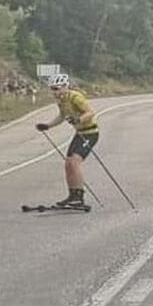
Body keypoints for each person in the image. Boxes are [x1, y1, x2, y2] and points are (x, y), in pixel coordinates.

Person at [35, 73, 99, 210]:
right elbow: (62, 116)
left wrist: (78, 120)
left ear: (65, 86)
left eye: (57, 88)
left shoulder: (75, 97)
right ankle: (73, 195)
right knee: (68, 164)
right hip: (80, 133)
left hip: (90, 133)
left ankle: (79, 197)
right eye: (52, 89)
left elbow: (90, 112)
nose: (55, 92)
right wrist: (47, 126)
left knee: (74, 162)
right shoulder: (61, 100)